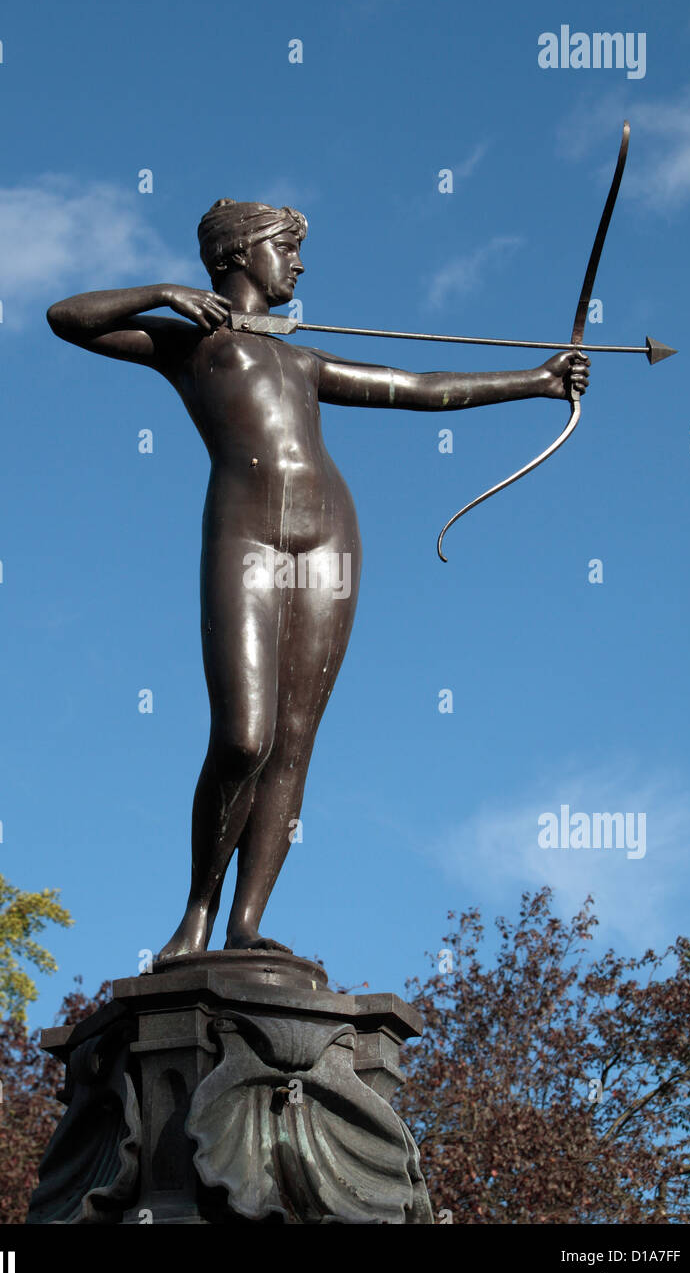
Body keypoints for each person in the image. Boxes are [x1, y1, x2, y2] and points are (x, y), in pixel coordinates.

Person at [46, 198, 588, 958]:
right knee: (243, 737)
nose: (299, 265)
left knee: (295, 741)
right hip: (246, 535)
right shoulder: (186, 344)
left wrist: (535, 381)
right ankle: (197, 915)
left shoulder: (302, 360)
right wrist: (163, 292)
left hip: (330, 535)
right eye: (286, 248)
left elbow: (416, 386)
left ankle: (246, 924)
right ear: (238, 254)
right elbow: (67, 317)